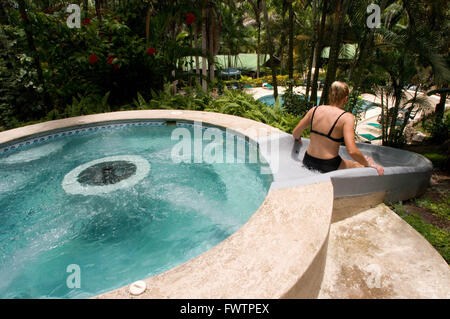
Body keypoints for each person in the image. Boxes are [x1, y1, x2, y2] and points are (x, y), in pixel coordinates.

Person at [292, 81, 384, 175]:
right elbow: (352, 151)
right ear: (345, 99)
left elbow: (295, 133)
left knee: (350, 162)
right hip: (328, 165)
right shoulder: (346, 117)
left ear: (330, 95)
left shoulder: (314, 110)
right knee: (358, 165)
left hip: (308, 160)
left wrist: (298, 138)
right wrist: (367, 163)